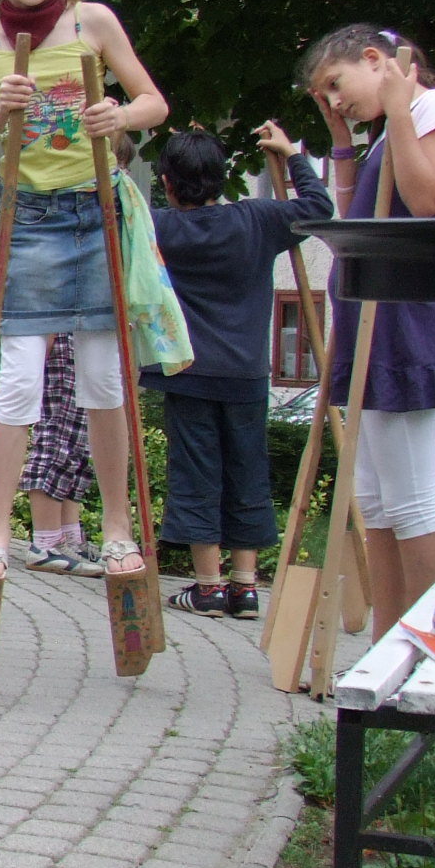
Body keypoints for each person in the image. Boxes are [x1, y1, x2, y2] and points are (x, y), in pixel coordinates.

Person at [0, 0, 169, 583]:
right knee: (19, 381)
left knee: (103, 378)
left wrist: (118, 116)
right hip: (29, 218)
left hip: (93, 211)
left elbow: (154, 103)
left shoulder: (92, 23)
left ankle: (117, 528)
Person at [302, 25, 435, 631]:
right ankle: (389, 646)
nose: (336, 99)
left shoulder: (433, 109)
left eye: (336, 83)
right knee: (376, 503)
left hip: (405, 320)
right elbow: (355, 226)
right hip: (371, 319)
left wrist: (398, 109)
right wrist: (342, 143)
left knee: (413, 500)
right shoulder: (386, 133)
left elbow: (427, 202)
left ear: (375, 59)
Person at [142, 125, 332, 618]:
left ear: (167, 183)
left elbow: (108, 212)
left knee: (197, 471)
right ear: (223, 178)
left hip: (187, 370)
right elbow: (319, 207)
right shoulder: (258, 220)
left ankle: (207, 587)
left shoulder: (158, 227)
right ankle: (245, 586)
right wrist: (292, 156)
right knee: (248, 469)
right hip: (246, 373)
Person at [19, 336, 99, 575]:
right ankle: (46, 543)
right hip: (62, 333)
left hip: (83, 335)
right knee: (58, 435)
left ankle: (69, 539)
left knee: (78, 440)